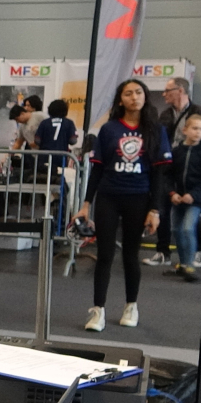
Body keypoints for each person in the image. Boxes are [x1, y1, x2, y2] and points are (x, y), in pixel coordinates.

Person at [75, 79, 172, 332]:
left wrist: (155, 210)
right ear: (121, 100)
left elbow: (159, 176)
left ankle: (131, 305)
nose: (134, 97)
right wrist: (86, 205)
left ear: (145, 97)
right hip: (108, 197)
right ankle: (98, 310)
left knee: (131, 254)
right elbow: (96, 170)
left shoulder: (156, 130)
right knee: (105, 255)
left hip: (139, 198)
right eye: (128, 93)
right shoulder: (109, 129)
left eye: (138, 92)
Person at [144, 77, 201, 267]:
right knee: (162, 207)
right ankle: (163, 252)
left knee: (192, 218)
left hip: (194, 168)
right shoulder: (165, 114)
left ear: (180, 91)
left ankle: (196, 254)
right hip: (170, 165)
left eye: (168, 90)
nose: (164, 94)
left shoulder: (197, 112)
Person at [165, 113, 201, 282]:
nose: (198, 132)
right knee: (176, 230)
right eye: (195, 128)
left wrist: (193, 195)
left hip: (195, 201)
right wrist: (172, 193)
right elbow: (168, 176)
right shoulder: (176, 151)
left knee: (187, 228)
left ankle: (190, 265)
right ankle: (183, 263)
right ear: (185, 130)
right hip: (178, 199)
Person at [33, 99, 78, 174]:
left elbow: (37, 140)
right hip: (61, 156)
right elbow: (73, 141)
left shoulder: (44, 123)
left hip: (44, 156)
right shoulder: (69, 123)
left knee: (43, 177)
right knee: (59, 178)